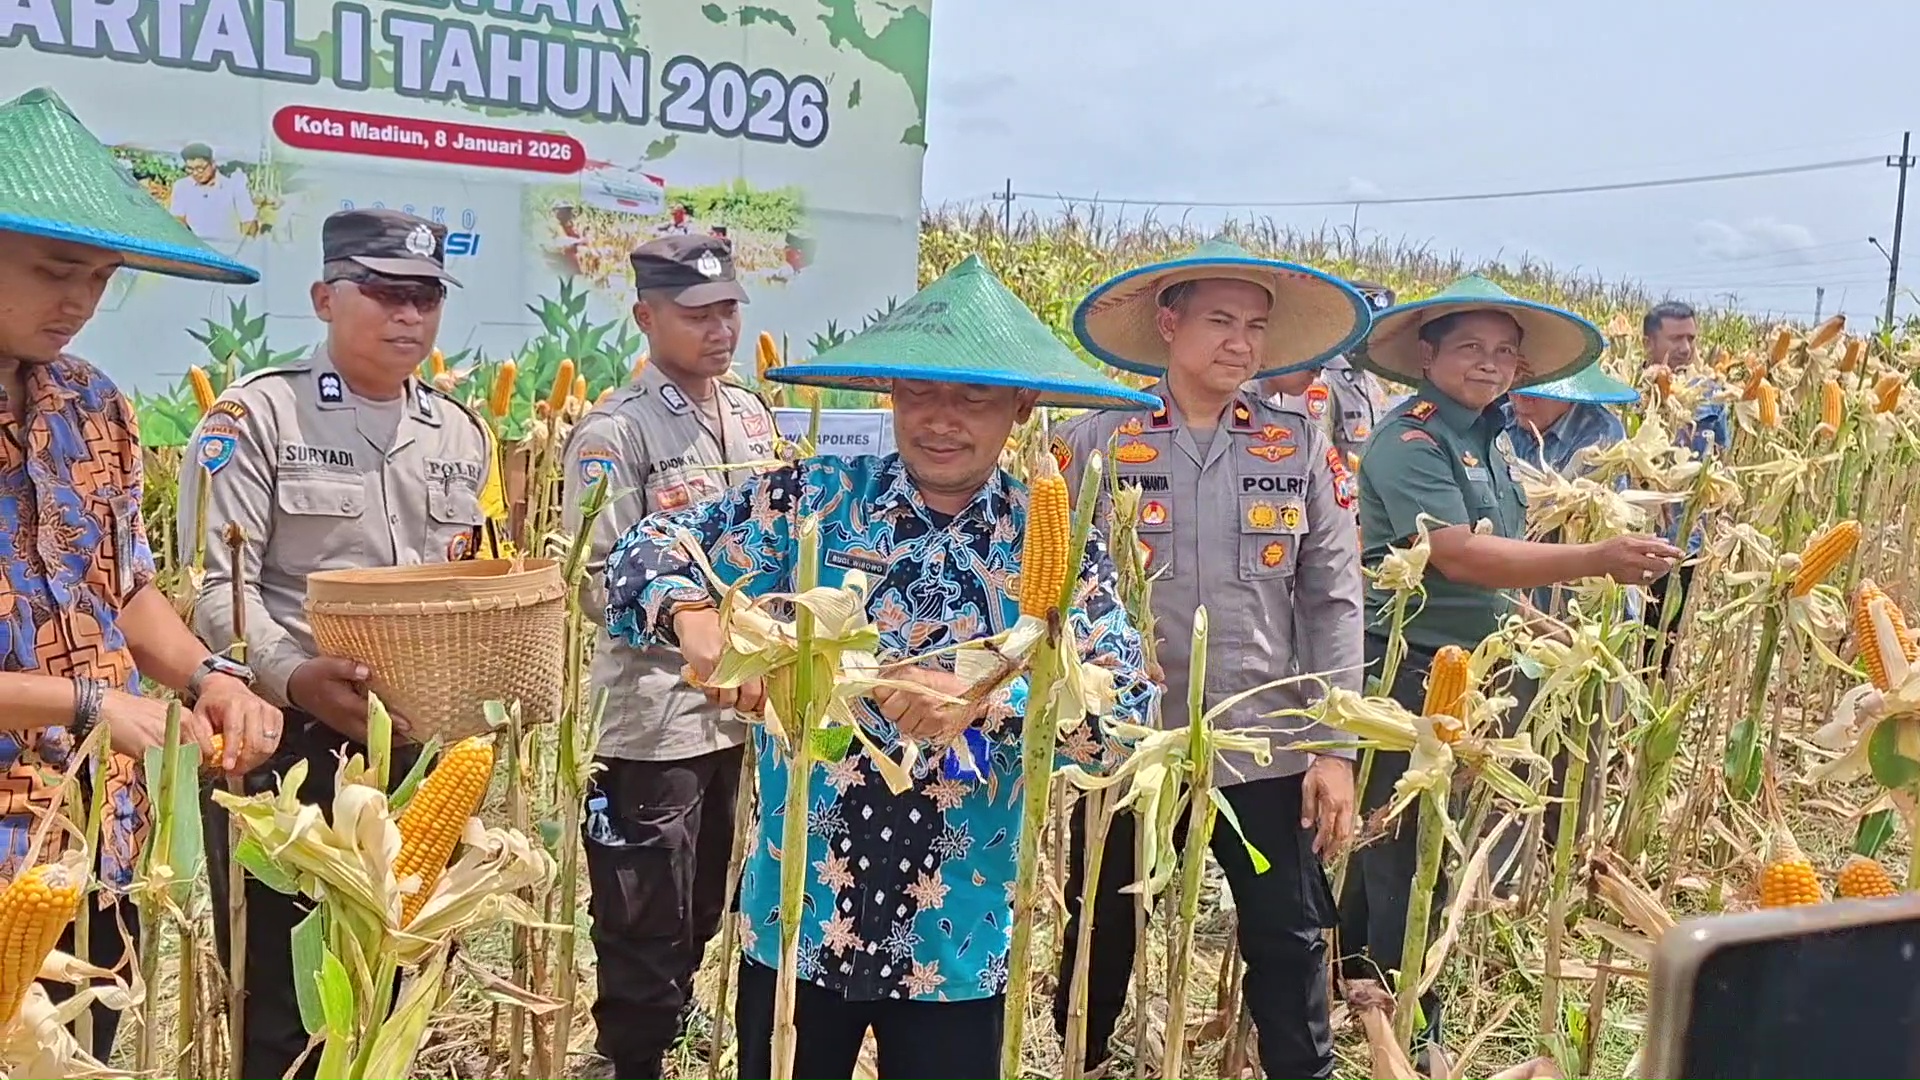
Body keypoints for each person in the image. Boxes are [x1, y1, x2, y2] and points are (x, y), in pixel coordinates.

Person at [603, 255, 1159, 1080]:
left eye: (973, 398)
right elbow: (638, 551)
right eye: (919, 393)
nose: (941, 420)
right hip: (801, 913)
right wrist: (695, 617)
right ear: (889, 395)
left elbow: (1122, 728)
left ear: (1021, 406)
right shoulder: (811, 501)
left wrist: (987, 700)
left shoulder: (1058, 547)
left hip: (958, 931)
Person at [180, 208, 502, 1080]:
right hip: (291, 741)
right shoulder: (256, 417)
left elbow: (474, 582)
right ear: (326, 296)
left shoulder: (462, 434)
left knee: (398, 976)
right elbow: (215, 590)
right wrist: (292, 677)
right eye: (387, 293)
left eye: (427, 297)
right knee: (286, 994)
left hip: (418, 747)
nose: (410, 316)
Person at [0, 86, 282, 1060]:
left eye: (101, 277)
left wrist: (209, 678)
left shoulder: (95, 404)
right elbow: (87, 689)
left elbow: (126, 593)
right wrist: (82, 705)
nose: (78, 301)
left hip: (104, 843)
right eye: (53, 271)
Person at [1342, 275, 1683, 1066]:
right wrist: (1598, 556)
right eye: (1469, 348)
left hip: (1478, 664)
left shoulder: (1489, 437)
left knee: (1423, 833)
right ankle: (1409, 1013)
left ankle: (1358, 969)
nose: (1489, 364)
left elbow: (1501, 550)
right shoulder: (1411, 441)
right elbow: (1458, 554)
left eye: (1504, 352)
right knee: (1408, 841)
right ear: (1427, 354)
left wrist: (1535, 621)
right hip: (1411, 668)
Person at [1050, 239, 1367, 1077]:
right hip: (1123, 741)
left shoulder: (1299, 445)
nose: (1242, 343)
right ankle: (1082, 1061)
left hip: (1264, 739)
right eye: (1220, 321)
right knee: (1101, 927)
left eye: (1255, 327)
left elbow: (1335, 599)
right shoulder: (1095, 441)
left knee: (1290, 935)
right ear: (1168, 324)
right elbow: (1050, 592)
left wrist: (1334, 749)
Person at [560, 235, 778, 1080]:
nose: (719, 329)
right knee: (642, 912)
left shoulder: (751, 416)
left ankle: (669, 1036)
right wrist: (693, 625)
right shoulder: (617, 432)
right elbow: (597, 579)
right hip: (654, 717)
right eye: (696, 314)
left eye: (728, 310)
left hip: (741, 716)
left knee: (707, 902)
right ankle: (632, 1060)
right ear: (647, 316)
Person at [1640, 300, 1724, 665]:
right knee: (1632, 627)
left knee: (1665, 638)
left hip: (1684, 537)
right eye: (1675, 338)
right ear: (1648, 342)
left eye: (1690, 338)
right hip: (1637, 533)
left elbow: (1720, 455)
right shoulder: (1631, 392)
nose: (1685, 348)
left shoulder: (1711, 396)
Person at [170, 142, 259, 245]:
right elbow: (178, 220)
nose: (195, 173)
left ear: (213, 164)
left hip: (228, 250)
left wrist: (243, 248)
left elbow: (249, 221)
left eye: (200, 168)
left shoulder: (234, 187)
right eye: (190, 169)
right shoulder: (181, 187)